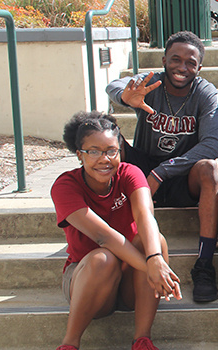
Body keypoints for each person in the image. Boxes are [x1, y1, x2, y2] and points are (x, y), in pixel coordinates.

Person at [106, 31, 218, 302]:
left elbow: (210, 146)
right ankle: (112, 234)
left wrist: (162, 171)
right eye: (175, 59)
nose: (182, 67)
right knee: (107, 133)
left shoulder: (204, 92)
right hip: (141, 167)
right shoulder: (150, 83)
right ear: (163, 60)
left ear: (199, 67)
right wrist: (126, 98)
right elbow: (113, 84)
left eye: (190, 62)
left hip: (181, 172)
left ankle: (204, 265)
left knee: (210, 169)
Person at [52, 111, 181, 350]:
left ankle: (142, 340)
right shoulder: (65, 186)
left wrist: (154, 258)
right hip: (89, 279)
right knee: (104, 258)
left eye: (112, 150)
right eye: (94, 151)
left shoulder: (130, 173)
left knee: (154, 241)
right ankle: (69, 343)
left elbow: (145, 216)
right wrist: (153, 267)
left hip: (131, 279)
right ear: (79, 155)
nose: (104, 159)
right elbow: (104, 237)